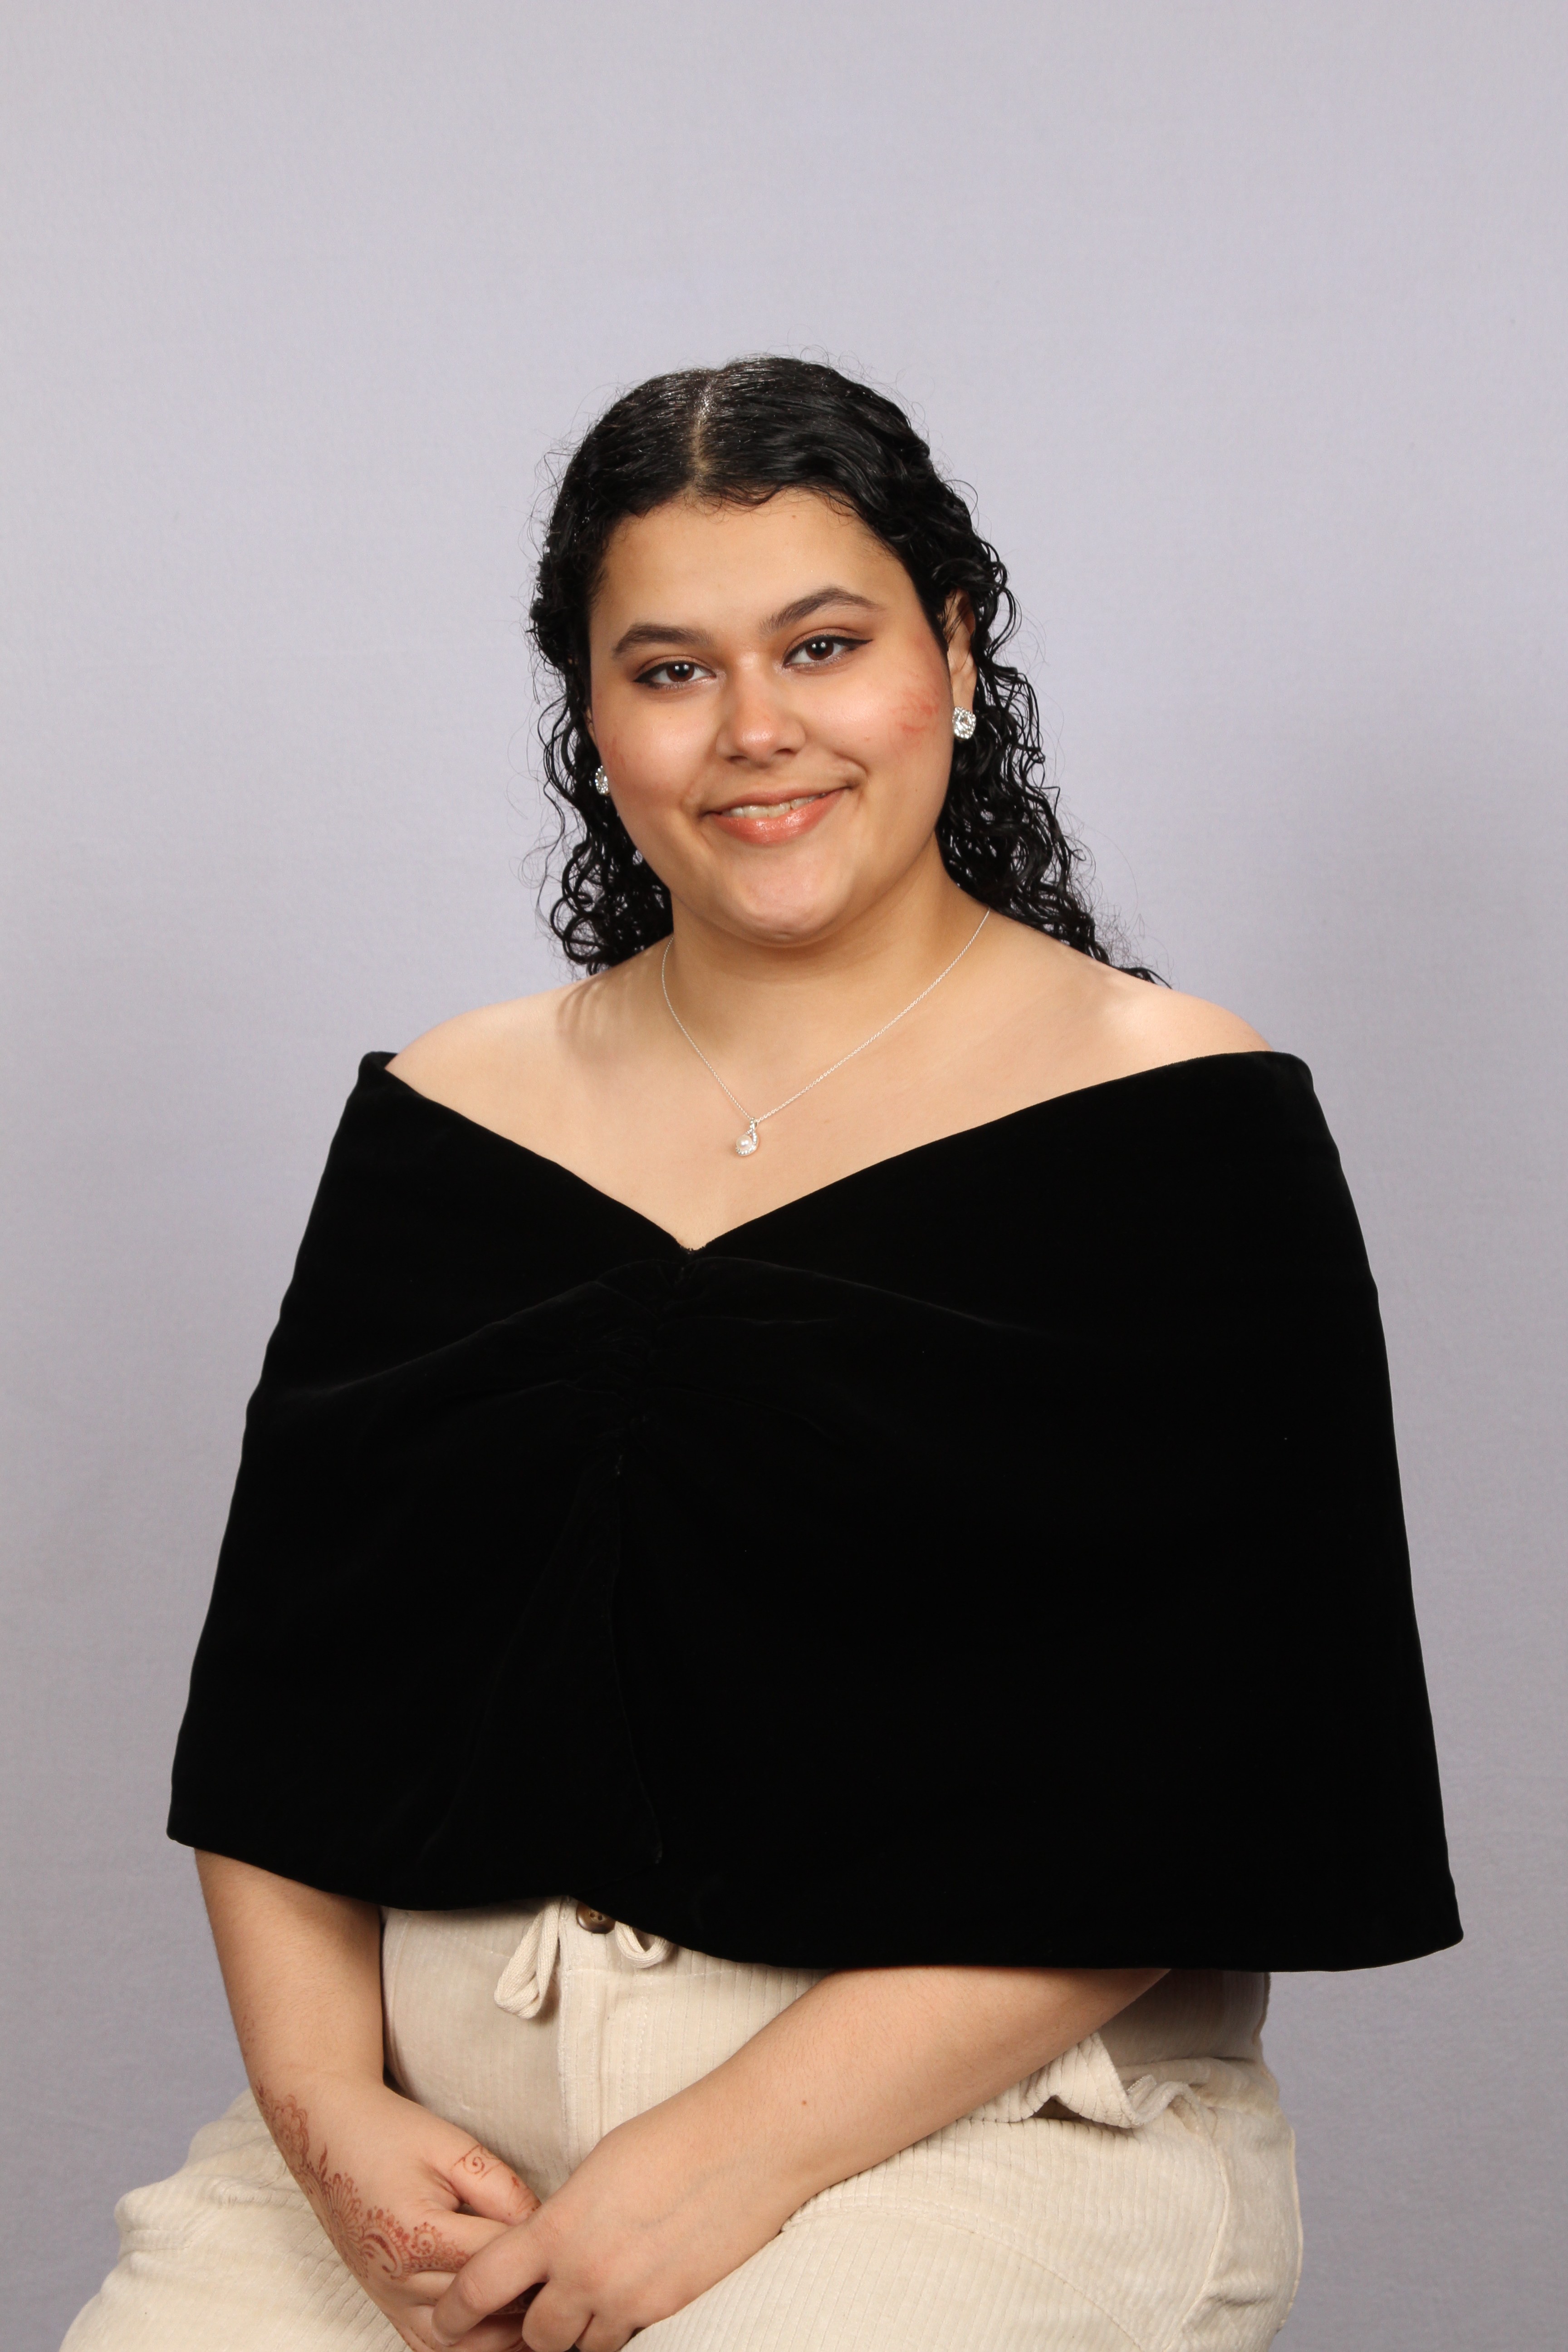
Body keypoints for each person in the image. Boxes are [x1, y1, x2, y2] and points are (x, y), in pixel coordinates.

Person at [64, 357, 1460, 2352]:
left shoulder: (1177, 1119)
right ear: (594, 717)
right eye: (671, 670)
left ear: (953, 653)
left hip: (970, 2145)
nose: (755, 731)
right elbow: (288, 1712)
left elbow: (1214, 1770)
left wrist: (713, 2164)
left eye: (823, 645)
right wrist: (326, 2114)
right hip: (423, 2144)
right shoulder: (446, 1113)